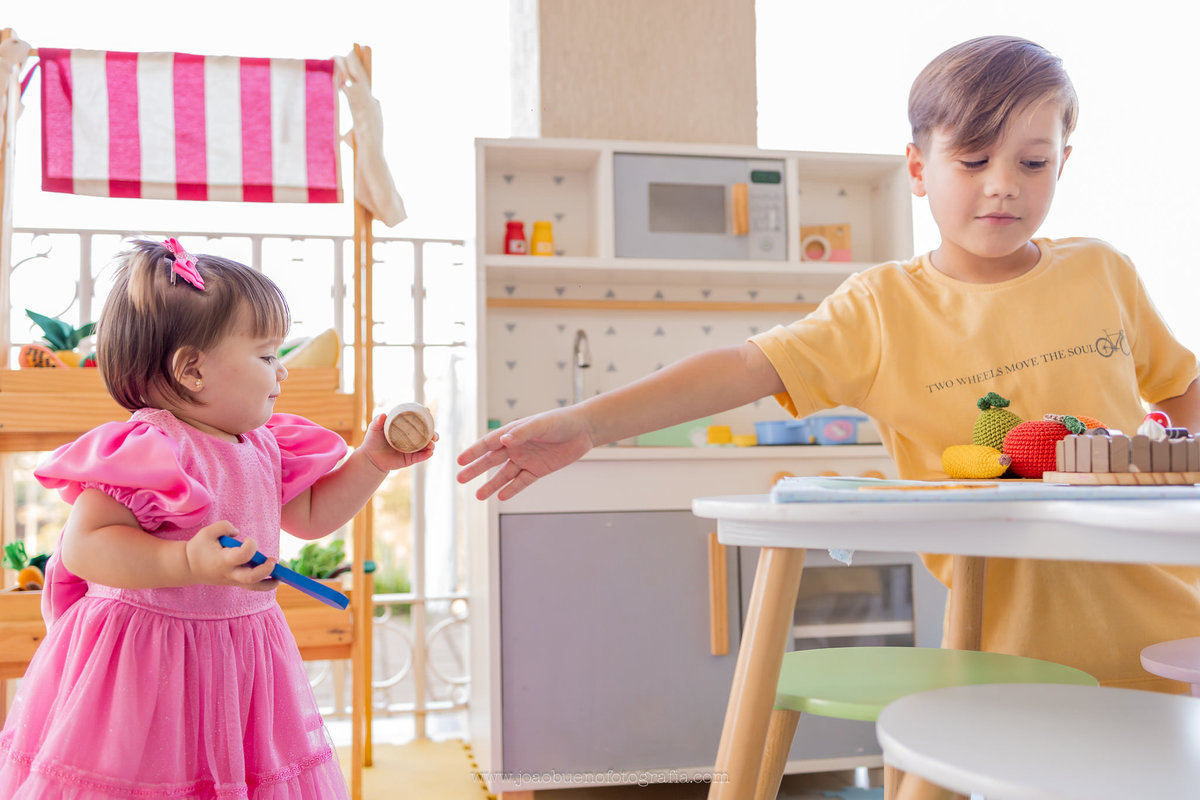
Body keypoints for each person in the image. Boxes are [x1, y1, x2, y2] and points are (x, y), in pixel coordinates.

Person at [458, 35, 1200, 698]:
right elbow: (741, 367)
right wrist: (589, 422)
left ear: (1062, 162)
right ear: (918, 168)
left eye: (1032, 162)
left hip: (1179, 633)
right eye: (974, 160)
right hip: (1016, 663)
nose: (1002, 183)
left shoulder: (1101, 271)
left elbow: (1182, 389)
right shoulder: (881, 308)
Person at [0, 238, 435, 799]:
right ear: (192, 371)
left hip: (240, 654)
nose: (283, 372)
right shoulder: (152, 447)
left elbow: (309, 516)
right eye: (267, 356)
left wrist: (372, 461)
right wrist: (185, 560)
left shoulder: (262, 445)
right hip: (146, 662)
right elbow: (85, 546)